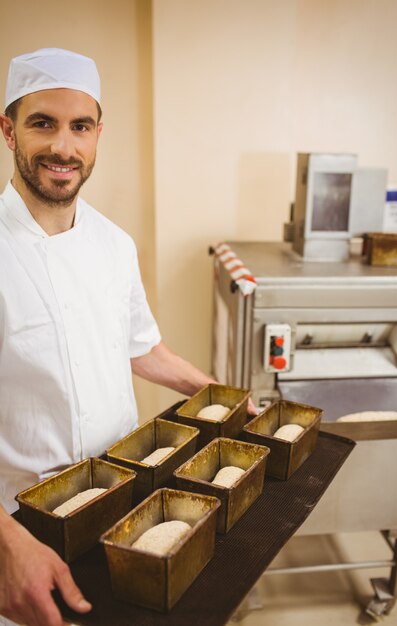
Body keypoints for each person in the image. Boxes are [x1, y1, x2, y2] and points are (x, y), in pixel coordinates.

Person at [0, 48, 255, 626]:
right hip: (22, 528)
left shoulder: (114, 245)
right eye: (43, 122)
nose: (63, 147)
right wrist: (7, 547)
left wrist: (220, 394)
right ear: (8, 130)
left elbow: (141, 347)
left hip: (127, 508)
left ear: (97, 135)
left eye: (80, 126)